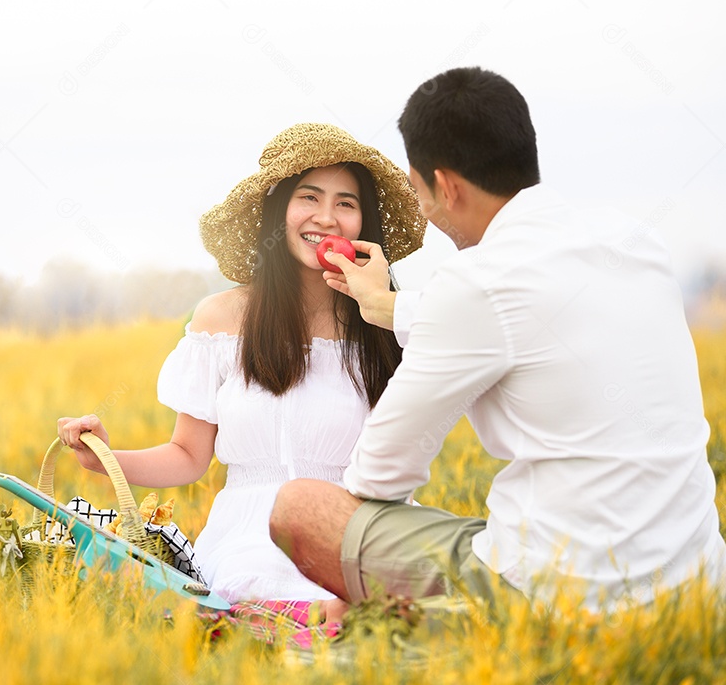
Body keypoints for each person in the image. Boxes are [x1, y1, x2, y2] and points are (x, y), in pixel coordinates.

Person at [269, 67, 726, 613]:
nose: (424, 212)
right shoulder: (634, 242)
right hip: (698, 593)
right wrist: (383, 306)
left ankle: (436, 629)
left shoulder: (475, 282)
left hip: (561, 596)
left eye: (419, 194)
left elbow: (380, 475)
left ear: (448, 187)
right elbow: (519, 314)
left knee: (301, 507)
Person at [57, 123, 426, 607]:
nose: (326, 218)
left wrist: (383, 306)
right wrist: (104, 458)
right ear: (279, 211)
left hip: (358, 537)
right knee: (251, 608)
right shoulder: (223, 319)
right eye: (308, 197)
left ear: (364, 224)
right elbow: (188, 456)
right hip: (249, 541)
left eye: (346, 203)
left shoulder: (392, 325)